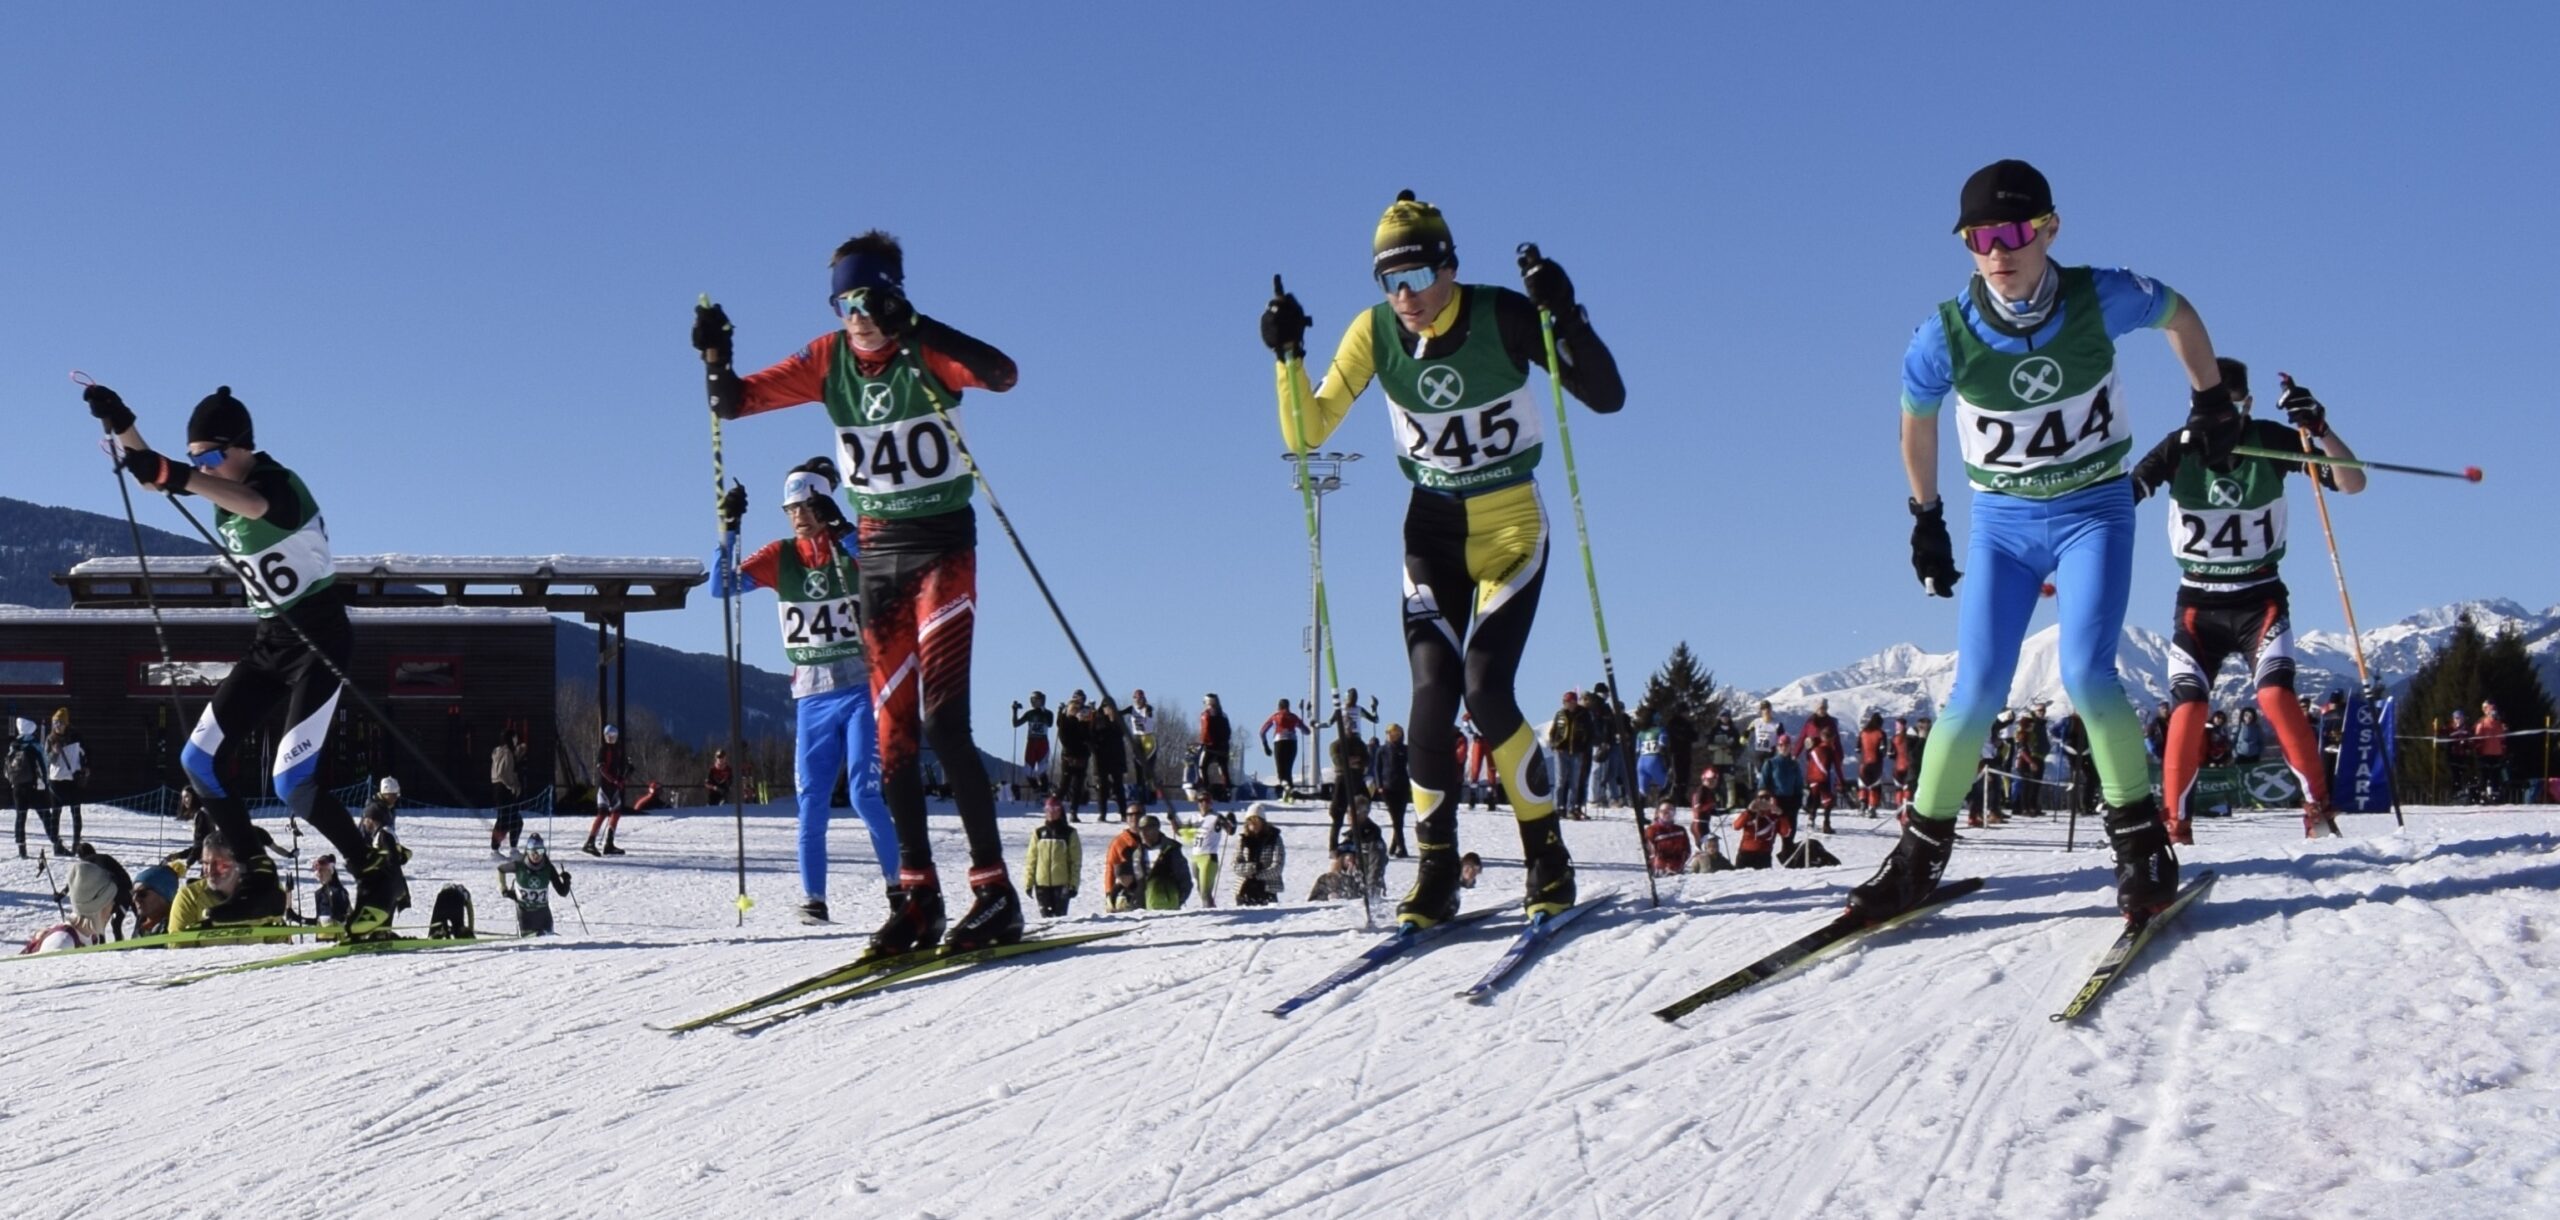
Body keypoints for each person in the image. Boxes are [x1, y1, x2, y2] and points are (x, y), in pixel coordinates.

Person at [1866, 159, 2233, 925]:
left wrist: (2210, 398)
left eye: (2014, 232)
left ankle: (2141, 847)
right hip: (2002, 526)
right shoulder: (1943, 336)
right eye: (1979, 238)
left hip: (2093, 511)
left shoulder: (2100, 296)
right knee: (1974, 694)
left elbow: (2181, 315)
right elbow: (1916, 419)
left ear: (2050, 228)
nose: (1997, 251)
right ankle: (1917, 858)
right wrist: (1924, 517)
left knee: (2087, 675)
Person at [1264, 191, 1624, 926]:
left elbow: (1606, 396)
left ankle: (1546, 856)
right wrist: (1286, 356)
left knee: (1487, 689)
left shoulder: (1499, 315)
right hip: (1431, 532)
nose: (1405, 295)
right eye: (1388, 280)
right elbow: (1309, 429)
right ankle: (1434, 867)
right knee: (1432, 694)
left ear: (1450, 266)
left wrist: (1568, 315)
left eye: (1418, 274)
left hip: (1512, 529)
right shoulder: (1375, 333)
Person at [700, 228, 1025, 953]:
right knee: (893, 737)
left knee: (945, 724)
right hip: (879, 557)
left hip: (943, 547)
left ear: (895, 295)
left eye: (871, 300)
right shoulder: (827, 358)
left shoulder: (921, 348)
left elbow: (1001, 374)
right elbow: (734, 403)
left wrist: (919, 325)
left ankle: (995, 891)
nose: (859, 316)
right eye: (844, 302)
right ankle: (917, 897)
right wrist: (715, 354)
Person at [83, 381, 405, 933]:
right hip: (271, 641)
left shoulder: (279, 484)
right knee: (197, 760)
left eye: (210, 456)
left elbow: (250, 504)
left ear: (241, 448)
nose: (203, 468)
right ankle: (257, 881)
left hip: (318, 639)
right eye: (196, 459)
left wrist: (175, 474)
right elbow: (161, 477)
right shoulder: (219, 481)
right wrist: (122, 423)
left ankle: (377, 873)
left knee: (292, 783)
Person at [2129, 357, 2365, 841]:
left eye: (2230, 407)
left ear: (2246, 404)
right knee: (2189, 708)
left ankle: (2318, 805)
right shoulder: (2180, 446)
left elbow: (2352, 482)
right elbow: (2125, 494)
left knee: (2276, 697)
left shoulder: (2270, 440)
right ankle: (2175, 822)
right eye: (2208, 407)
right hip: (2198, 605)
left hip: (2260, 600)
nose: (2218, 421)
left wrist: (2319, 428)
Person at [713, 461, 905, 924]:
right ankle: (814, 899)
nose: (797, 515)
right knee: (811, 799)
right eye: (790, 507)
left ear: (824, 506)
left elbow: (893, 573)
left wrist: (845, 532)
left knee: (863, 794)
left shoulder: (853, 546)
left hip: (862, 686)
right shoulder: (780, 555)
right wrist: (728, 530)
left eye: (806, 506)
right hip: (812, 694)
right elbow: (722, 586)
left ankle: (901, 890)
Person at [20, 859, 117, 954]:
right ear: (94, 906)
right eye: (109, 902)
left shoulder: (91, 937)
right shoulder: (61, 943)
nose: (112, 908)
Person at [1019, 797, 1083, 918]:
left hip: (1061, 884)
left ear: (1060, 811)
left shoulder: (1069, 833)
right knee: (1046, 918)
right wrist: (1028, 882)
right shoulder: (1039, 833)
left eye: (1055, 809)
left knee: (1060, 919)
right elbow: (1031, 859)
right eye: (1048, 809)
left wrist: (1074, 884)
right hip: (1042, 885)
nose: (1051, 813)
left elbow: (1075, 861)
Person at [498, 835, 572, 936]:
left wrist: (566, 880)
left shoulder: (548, 868)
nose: (536, 855)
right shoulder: (519, 865)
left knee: (550, 944)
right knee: (528, 942)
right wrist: (503, 888)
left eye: (540, 851)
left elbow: (562, 892)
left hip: (543, 916)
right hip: (525, 916)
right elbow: (501, 869)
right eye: (533, 851)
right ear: (527, 851)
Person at [40, 708, 87, 850]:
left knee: (76, 811)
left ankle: (76, 842)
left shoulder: (76, 737)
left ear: (66, 723)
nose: (57, 726)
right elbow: (46, 760)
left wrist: (86, 767)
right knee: (56, 812)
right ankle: (56, 843)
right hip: (56, 780)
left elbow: (85, 754)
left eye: (60, 723)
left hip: (72, 778)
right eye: (55, 723)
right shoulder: (50, 739)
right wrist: (54, 753)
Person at [10, 717, 58, 858]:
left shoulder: (14, 745)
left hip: (17, 787)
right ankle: (56, 843)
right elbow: (44, 763)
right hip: (34, 787)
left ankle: (21, 847)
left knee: (20, 817)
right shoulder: (34, 744)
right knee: (45, 815)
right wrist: (46, 782)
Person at [72, 842, 135, 941]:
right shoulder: (105, 857)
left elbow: (74, 881)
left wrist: (61, 894)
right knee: (116, 923)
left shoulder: (86, 864)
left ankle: (102, 947)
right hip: (127, 890)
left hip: (114, 894)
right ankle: (120, 945)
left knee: (99, 924)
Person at [1756, 735, 1806, 856]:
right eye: (1781, 745)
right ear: (1777, 747)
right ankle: (1762, 858)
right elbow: (1763, 784)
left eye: (1787, 746)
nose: (1784, 748)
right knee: (1769, 833)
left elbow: (1798, 784)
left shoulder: (1794, 764)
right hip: (1775, 801)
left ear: (1790, 747)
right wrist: (1766, 801)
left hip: (1791, 801)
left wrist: (1798, 801)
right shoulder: (1770, 763)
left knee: (1789, 832)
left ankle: (1787, 856)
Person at [1547, 691, 1593, 820]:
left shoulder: (1583, 715)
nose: (1567, 704)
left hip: (1577, 752)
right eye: (1565, 702)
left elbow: (1590, 732)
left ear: (1574, 702)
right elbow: (1553, 731)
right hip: (1561, 751)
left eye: (1570, 702)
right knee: (1560, 781)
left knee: (1574, 782)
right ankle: (1557, 807)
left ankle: (1571, 808)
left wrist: (1585, 747)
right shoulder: (1560, 714)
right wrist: (1554, 744)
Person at [585, 725, 629, 856]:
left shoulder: (617, 749)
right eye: (609, 737)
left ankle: (609, 843)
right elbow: (602, 769)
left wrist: (624, 775)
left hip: (613, 787)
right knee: (602, 813)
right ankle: (590, 842)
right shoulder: (603, 749)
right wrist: (614, 780)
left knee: (616, 813)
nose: (611, 739)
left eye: (613, 737)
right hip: (604, 786)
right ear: (605, 737)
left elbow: (619, 767)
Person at [1326, 730, 1372, 852]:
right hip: (1343, 780)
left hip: (1357, 778)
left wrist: (1353, 762)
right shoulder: (1337, 744)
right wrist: (1351, 761)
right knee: (1338, 814)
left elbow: (1366, 760)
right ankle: (1333, 846)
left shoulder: (1360, 744)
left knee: (1363, 807)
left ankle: (1360, 840)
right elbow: (1338, 761)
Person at [1230, 812, 1285, 907]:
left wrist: (1259, 875)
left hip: (1267, 888)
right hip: (1244, 888)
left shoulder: (1274, 838)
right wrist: (1252, 868)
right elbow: (1235, 865)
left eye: (1256, 821)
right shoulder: (1243, 840)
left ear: (1263, 822)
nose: (1253, 825)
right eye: (1251, 822)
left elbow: (1278, 866)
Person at [1373, 724, 1412, 857]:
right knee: (1396, 818)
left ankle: (1393, 846)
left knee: (1399, 819)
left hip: (1403, 786)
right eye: (1389, 733)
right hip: (1387, 788)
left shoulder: (1406, 750)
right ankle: (1402, 847)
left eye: (1394, 733)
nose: (1391, 735)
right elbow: (1377, 768)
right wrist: (1379, 785)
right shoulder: (1382, 750)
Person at [1185, 805, 1231, 909]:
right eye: (1201, 800)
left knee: (1205, 891)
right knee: (1201, 890)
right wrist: (1173, 820)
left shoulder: (1216, 817)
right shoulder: (1194, 817)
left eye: (1207, 800)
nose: (1204, 803)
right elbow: (1182, 834)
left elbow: (1230, 830)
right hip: (1195, 857)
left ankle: (1210, 913)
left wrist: (1230, 821)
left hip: (1209, 857)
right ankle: (1210, 910)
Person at [1055, 694, 1094, 818]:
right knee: (1064, 785)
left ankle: (1074, 811)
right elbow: (1064, 738)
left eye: (1076, 709)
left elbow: (1088, 736)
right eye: (1072, 708)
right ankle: (1053, 807)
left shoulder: (1082, 723)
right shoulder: (1064, 721)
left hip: (1081, 756)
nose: (1074, 711)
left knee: (1078, 786)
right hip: (1069, 756)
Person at [490, 730, 529, 854]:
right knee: (506, 820)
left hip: (498, 789)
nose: (516, 740)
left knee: (511, 820)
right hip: (504, 790)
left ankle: (510, 848)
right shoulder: (506, 752)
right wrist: (512, 785)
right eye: (515, 738)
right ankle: (496, 850)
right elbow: (503, 772)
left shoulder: (499, 751)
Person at [1261, 699, 1309, 796]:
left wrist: (1265, 746)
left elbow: (1262, 731)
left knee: (1281, 772)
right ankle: (1289, 791)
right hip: (1292, 743)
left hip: (1279, 742)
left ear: (1279, 707)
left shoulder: (1275, 717)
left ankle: (1288, 790)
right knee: (1288, 769)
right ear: (1288, 706)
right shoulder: (1294, 717)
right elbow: (1307, 731)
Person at [1092, 697, 1131, 814]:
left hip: (1116, 755)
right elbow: (1093, 734)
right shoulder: (1096, 718)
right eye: (1106, 707)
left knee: (1118, 785)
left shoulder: (1118, 718)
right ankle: (1102, 813)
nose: (1108, 709)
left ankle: (1123, 812)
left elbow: (1122, 733)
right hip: (1102, 755)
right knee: (1102, 786)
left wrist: (1113, 720)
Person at [1013, 692, 1055, 797]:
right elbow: (1016, 724)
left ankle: (1044, 792)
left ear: (1042, 701)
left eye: (1037, 700)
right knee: (1027, 771)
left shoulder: (1048, 713)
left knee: (1042, 771)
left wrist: (1043, 711)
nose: (1034, 702)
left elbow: (1050, 723)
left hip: (1042, 743)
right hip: (1031, 743)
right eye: (1032, 700)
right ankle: (1037, 790)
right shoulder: (1030, 713)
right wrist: (1014, 711)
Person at [1196, 694, 1234, 806]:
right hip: (1223, 746)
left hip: (1210, 746)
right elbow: (1228, 731)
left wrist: (1204, 742)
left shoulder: (1206, 714)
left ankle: (1205, 789)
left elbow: (1205, 730)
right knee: (1223, 768)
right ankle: (1227, 789)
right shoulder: (1223, 714)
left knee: (1202, 767)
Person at [1732, 793, 1781, 870]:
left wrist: (1781, 815)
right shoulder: (1750, 814)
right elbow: (1736, 826)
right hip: (1746, 853)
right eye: (1761, 798)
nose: (1763, 801)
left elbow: (1786, 833)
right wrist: (1749, 811)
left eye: (1767, 799)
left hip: (1764, 854)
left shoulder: (1775, 817)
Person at [2475, 702, 2510, 804]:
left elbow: (2503, 738)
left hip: (2497, 753)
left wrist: (2505, 732)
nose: (2494, 714)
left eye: (2495, 712)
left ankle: (2495, 793)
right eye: (2492, 712)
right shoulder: (2482, 723)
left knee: (2495, 774)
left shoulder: (2499, 724)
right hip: (2485, 754)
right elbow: (2477, 737)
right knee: (2484, 775)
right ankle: (2482, 794)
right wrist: (2478, 750)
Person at [133, 863, 181, 936]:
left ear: (164, 895)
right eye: (133, 893)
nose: (135, 899)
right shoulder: (140, 926)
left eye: (142, 893)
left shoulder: (178, 929)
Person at [1856, 712, 1889, 815]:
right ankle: (1872, 808)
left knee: (1863, 784)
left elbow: (1857, 749)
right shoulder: (1881, 734)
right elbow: (1883, 750)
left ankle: (1862, 804)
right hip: (1876, 763)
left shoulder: (1863, 733)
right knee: (1875, 786)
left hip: (1863, 763)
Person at [1645, 803, 1691, 876]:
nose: (1667, 814)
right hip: (1659, 871)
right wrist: (1662, 866)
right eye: (1664, 811)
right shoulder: (1651, 830)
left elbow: (1687, 850)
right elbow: (1649, 853)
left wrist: (1678, 865)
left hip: (1678, 870)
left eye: (1671, 811)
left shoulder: (1680, 830)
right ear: (1658, 813)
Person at [309, 854, 351, 926]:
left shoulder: (340, 892)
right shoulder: (319, 893)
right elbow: (318, 922)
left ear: (330, 871)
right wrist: (296, 918)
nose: (319, 873)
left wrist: (342, 918)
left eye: (322, 870)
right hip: (321, 936)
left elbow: (349, 917)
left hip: (338, 935)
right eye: (317, 871)